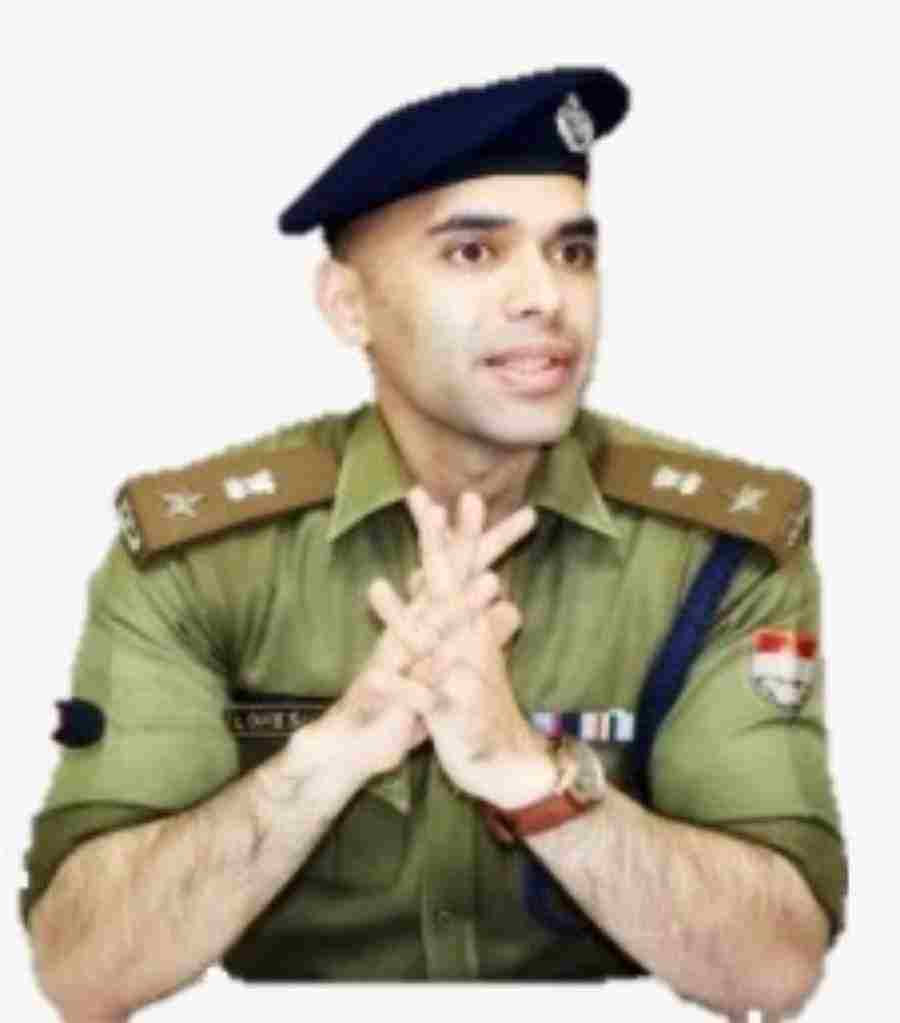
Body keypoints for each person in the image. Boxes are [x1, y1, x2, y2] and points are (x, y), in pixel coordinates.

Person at [21, 66, 845, 1018]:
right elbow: (83, 970)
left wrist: (530, 777)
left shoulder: (717, 549)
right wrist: (328, 758)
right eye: (474, 252)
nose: (547, 296)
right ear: (348, 306)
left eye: (573, 252)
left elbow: (774, 969)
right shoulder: (203, 554)